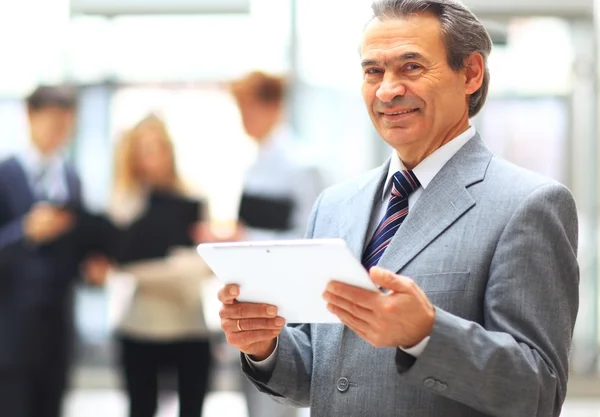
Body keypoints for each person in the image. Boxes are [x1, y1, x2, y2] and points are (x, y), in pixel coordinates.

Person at [216, 1, 580, 416]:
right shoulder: (335, 205)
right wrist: (265, 344)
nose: (388, 90)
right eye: (374, 71)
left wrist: (427, 334)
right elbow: (325, 378)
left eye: (411, 67)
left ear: (471, 74)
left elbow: (539, 391)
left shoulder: (528, 205)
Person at [0, 85, 105, 417]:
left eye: (65, 123)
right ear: (30, 117)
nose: (59, 131)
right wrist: (24, 232)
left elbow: (73, 249)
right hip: (12, 331)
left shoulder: (71, 178)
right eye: (52, 121)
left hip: (57, 327)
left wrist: (90, 267)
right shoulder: (6, 176)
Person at [101, 115, 214, 417]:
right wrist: (176, 265)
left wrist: (158, 267)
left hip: (189, 325)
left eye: (157, 148)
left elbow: (206, 263)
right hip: (140, 327)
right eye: (143, 150)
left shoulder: (192, 196)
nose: (152, 158)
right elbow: (120, 264)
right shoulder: (124, 202)